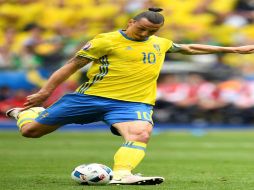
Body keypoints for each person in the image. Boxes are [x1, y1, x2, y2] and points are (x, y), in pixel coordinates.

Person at [6, 8, 254, 185]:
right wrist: (45, 92)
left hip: (132, 103)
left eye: (152, 31)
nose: (145, 34)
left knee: (140, 133)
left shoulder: (159, 42)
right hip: (90, 98)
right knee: (31, 132)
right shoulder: (105, 41)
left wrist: (232, 49)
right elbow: (71, 66)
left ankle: (122, 174)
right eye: (142, 28)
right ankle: (23, 114)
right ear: (131, 21)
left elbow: (189, 47)